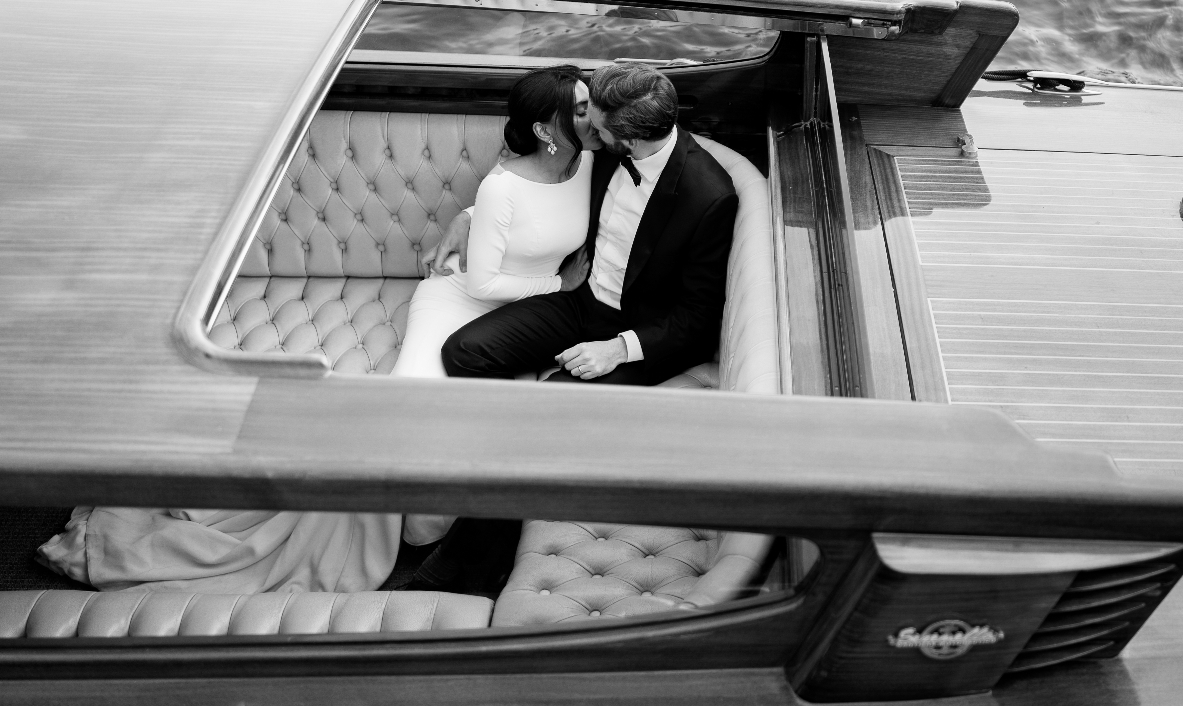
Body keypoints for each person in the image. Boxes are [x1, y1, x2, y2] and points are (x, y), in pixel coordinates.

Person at [36, 66, 598, 594]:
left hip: (517, 308)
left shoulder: (590, 158)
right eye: (579, 108)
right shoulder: (506, 182)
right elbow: (482, 277)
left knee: (477, 415)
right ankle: (317, 521)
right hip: (462, 297)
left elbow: (534, 214)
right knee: (408, 410)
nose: (592, 114)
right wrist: (558, 285)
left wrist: (467, 219)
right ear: (547, 129)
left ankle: (429, 525)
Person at [405, 62, 737, 593]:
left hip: (634, 335)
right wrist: (466, 217)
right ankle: (503, 462)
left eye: (598, 129)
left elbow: (696, 322)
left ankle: (457, 574)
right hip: (579, 297)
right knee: (465, 350)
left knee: (541, 427)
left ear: (628, 139)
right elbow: (536, 190)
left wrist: (617, 351)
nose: (589, 136)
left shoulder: (709, 196)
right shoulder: (602, 154)